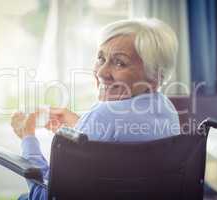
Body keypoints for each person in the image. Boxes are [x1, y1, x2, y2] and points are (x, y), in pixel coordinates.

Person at [11, 18, 180, 200]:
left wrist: (27, 137)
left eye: (120, 63)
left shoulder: (103, 115)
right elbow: (117, 138)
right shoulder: (167, 109)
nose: (101, 72)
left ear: (154, 77)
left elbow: (49, 195)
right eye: (101, 58)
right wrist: (80, 125)